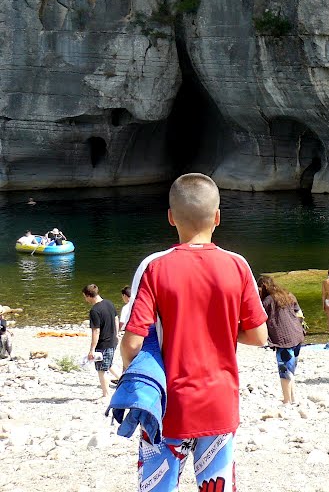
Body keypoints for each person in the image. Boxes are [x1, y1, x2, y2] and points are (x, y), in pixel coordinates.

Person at [120, 172, 268, 492]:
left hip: (167, 407)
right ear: (217, 217)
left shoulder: (154, 267)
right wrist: (223, 331)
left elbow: (132, 343)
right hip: (219, 403)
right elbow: (259, 336)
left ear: (171, 217)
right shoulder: (238, 265)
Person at [257, 275, 305, 404]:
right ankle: (293, 398)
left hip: (284, 340)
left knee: (284, 370)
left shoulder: (267, 302)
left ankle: (287, 399)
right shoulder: (289, 295)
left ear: (264, 287)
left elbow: (257, 319)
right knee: (291, 369)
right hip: (297, 335)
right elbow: (299, 314)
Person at [82, 284, 119, 398]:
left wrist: (92, 349)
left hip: (104, 343)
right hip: (113, 340)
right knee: (109, 363)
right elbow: (116, 319)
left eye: (85, 296)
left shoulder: (95, 310)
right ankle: (124, 379)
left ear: (89, 295)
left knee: (101, 369)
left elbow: (96, 331)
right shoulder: (109, 303)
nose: (85, 299)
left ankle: (105, 394)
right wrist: (116, 334)